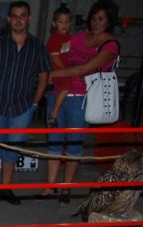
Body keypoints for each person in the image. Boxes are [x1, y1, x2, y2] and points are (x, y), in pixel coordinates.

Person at [0, 1, 49, 207]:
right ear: (8, 20)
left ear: (29, 19)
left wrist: (34, 105)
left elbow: (44, 77)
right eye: (14, 15)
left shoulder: (38, 47)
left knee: (13, 149)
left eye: (22, 15)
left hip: (22, 108)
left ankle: (5, 188)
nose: (18, 19)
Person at [45, 0, 120, 204]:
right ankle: (50, 186)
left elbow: (84, 69)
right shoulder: (78, 37)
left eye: (101, 19)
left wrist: (54, 74)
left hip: (82, 98)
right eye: (94, 18)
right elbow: (57, 52)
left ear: (109, 21)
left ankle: (66, 188)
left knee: (74, 144)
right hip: (59, 93)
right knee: (54, 141)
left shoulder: (110, 45)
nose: (96, 22)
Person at [45, 7, 73, 129]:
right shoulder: (55, 38)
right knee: (67, 85)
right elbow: (55, 58)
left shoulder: (71, 38)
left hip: (66, 70)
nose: (64, 25)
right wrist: (67, 70)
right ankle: (54, 113)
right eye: (61, 22)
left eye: (67, 22)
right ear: (54, 24)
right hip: (57, 70)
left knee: (68, 84)